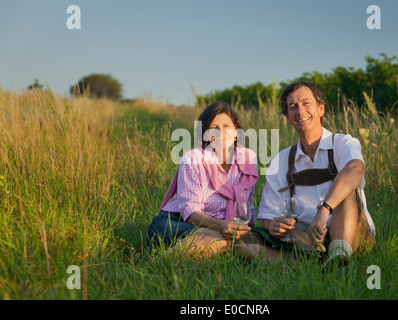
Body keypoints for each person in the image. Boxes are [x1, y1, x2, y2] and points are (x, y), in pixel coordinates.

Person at [255, 81, 376, 268]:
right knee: (248, 242)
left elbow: (355, 169)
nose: (300, 111)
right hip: (308, 237)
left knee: (345, 188)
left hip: (353, 233)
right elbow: (267, 219)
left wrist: (324, 209)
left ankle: (338, 258)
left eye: (306, 103)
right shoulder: (281, 161)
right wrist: (273, 226)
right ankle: (315, 264)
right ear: (287, 117)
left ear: (320, 109)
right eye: (293, 107)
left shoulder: (343, 143)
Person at [147, 102, 258, 258]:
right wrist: (220, 226)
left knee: (248, 246)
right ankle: (155, 264)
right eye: (214, 129)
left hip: (223, 228)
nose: (221, 133)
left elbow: (247, 205)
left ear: (236, 131)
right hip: (176, 222)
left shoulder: (248, 159)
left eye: (226, 126)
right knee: (216, 238)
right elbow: (190, 212)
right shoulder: (193, 159)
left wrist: (242, 229)